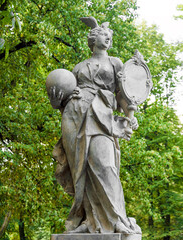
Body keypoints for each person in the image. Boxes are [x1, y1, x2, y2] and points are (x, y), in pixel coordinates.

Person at [51, 17, 141, 234]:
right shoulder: (79, 67)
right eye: (103, 34)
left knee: (106, 165)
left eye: (109, 36)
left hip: (102, 117)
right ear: (92, 39)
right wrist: (57, 102)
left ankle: (115, 219)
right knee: (80, 170)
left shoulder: (116, 63)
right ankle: (88, 221)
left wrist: (130, 114)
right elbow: (63, 97)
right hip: (75, 115)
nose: (108, 38)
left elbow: (125, 94)